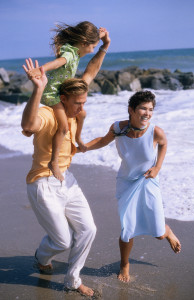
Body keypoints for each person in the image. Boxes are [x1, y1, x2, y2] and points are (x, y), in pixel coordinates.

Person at [21, 30, 110, 297]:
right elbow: (27, 125)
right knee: (61, 240)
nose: (81, 108)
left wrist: (104, 47)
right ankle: (42, 255)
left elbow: (90, 73)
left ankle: (73, 280)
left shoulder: (75, 107)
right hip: (42, 182)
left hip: (65, 178)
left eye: (84, 102)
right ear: (63, 99)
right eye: (78, 104)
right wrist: (37, 89)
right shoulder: (49, 115)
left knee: (89, 229)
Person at [80, 90, 181, 282]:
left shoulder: (155, 132)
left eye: (151, 109)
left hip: (148, 181)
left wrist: (157, 167)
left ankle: (167, 231)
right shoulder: (118, 128)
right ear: (131, 110)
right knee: (128, 229)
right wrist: (82, 148)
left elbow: (164, 144)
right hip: (126, 183)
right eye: (143, 108)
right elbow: (102, 140)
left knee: (158, 234)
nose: (147, 113)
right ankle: (124, 264)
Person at [25, 21, 107, 182]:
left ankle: (78, 139)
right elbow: (58, 62)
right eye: (92, 47)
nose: (92, 50)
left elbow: (92, 70)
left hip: (60, 90)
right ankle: (53, 162)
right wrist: (41, 70)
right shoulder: (69, 55)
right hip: (52, 93)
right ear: (84, 43)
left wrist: (104, 39)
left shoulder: (75, 51)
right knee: (63, 127)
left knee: (82, 113)